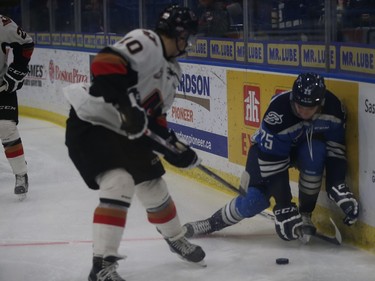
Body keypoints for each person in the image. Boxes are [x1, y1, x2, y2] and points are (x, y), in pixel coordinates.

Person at [64, 5, 205, 281]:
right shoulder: (147, 41)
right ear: (178, 34)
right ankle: (101, 266)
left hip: (127, 132)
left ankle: (175, 237)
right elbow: (104, 62)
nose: (188, 44)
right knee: (119, 182)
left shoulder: (173, 71)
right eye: (187, 37)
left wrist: (174, 148)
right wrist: (128, 106)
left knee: (153, 184)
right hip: (92, 123)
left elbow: (155, 121)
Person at [183, 72, 359, 243]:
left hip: (303, 149)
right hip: (266, 154)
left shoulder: (334, 109)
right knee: (253, 201)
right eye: (299, 106)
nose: (304, 112)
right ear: (293, 99)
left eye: (310, 108)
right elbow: (273, 165)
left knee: (315, 152)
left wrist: (337, 184)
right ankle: (211, 223)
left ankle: (305, 215)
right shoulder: (278, 113)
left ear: (321, 104)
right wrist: (284, 206)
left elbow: (335, 150)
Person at [0, 15, 34, 200]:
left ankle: (21, 174)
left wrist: (15, 73)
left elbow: (26, 43)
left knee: (5, 126)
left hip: (1, 86)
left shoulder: (2, 23)